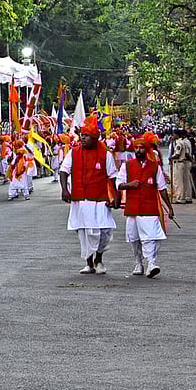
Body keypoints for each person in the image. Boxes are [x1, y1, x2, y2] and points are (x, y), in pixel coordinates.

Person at [60, 117, 119, 275]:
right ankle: (89, 263)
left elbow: (112, 177)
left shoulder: (105, 155)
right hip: (80, 199)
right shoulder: (73, 153)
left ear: (94, 138)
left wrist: (116, 196)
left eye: (86, 136)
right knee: (84, 231)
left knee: (104, 231)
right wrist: (64, 189)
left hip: (100, 199)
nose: (83, 138)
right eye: (82, 135)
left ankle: (99, 259)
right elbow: (63, 171)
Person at [117, 133, 175, 278]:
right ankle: (138, 263)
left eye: (141, 148)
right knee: (134, 238)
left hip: (149, 208)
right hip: (133, 208)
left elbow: (162, 189)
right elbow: (118, 184)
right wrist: (129, 185)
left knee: (150, 237)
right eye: (136, 148)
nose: (138, 150)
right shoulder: (126, 166)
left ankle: (151, 263)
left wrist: (169, 207)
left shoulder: (155, 167)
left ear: (146, 149)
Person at [171, 129, 196, 204]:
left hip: (179, 162)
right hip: (183, 162)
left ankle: (180, 197)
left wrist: (171, 158)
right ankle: (186, 196)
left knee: (178, 182)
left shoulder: (179, 143)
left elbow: (177, 154)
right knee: (185, 181)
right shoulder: (184, 142)